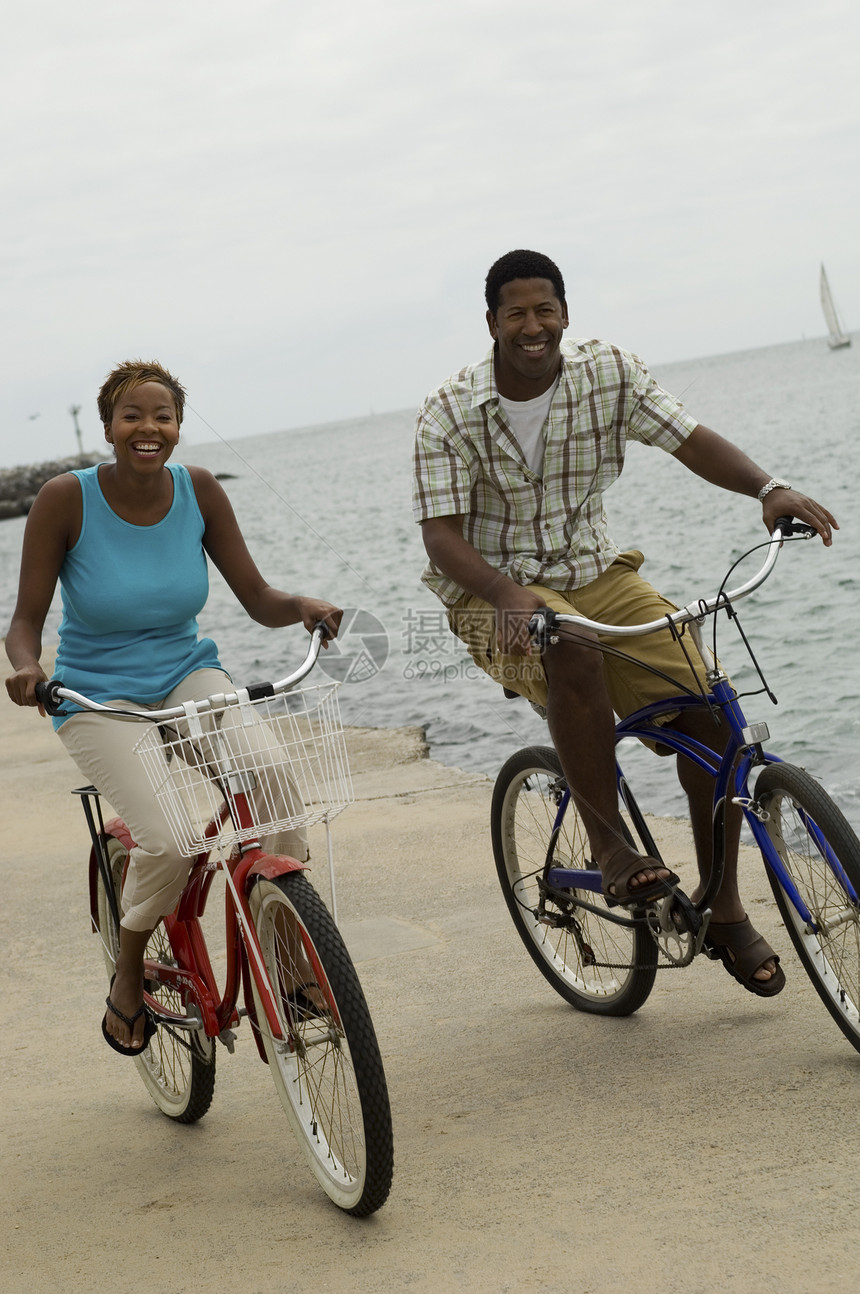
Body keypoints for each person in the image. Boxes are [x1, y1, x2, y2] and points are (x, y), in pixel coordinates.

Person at [412, 248, 838, 996]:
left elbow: (689, 438)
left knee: (709, 709)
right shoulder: (450, 411)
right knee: (568, 644)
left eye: (545, 310)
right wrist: (507, 593)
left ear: (565, 315)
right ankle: (610, 847)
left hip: (597, 571)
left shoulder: (606, 372)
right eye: (516, 313)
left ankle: (724, 905)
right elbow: (441, 536)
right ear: (492, 324)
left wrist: (768, 487)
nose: (533, 326)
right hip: (490, 593)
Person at [5, 359, 342, 1054]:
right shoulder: (65, 499)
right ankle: (128, 977)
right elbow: (24, 621)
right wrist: (28, 668)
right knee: (169, 840)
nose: (148, 428)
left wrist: (301, 605)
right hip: (98, 696)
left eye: (162, 416)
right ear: (108, 427)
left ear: (179, 427)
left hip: (189, 675)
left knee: (274, 781)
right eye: (133, 416)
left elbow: (257, 597)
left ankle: (286, 960)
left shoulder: (200, 491)